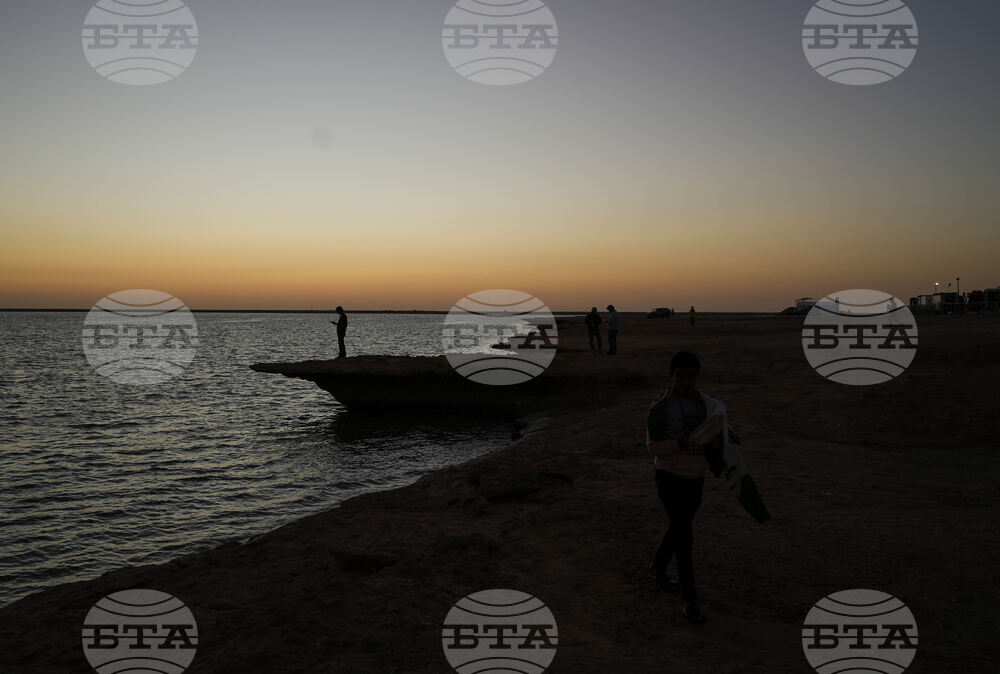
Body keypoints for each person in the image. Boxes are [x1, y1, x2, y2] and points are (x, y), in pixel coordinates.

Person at [646, 351, 724, 623]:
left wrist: (715, 446)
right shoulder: (660, 407)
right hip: (668, 476)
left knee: (680, 526)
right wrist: (681, 443)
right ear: (671, 376)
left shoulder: (709, 408)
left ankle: (657, 566)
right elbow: (653, 448)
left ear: (697, 376)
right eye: (680, 376)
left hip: (695, 478)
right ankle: (689, 598)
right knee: (684, 534)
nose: (686, 382)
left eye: (691, 376)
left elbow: (719, 444)